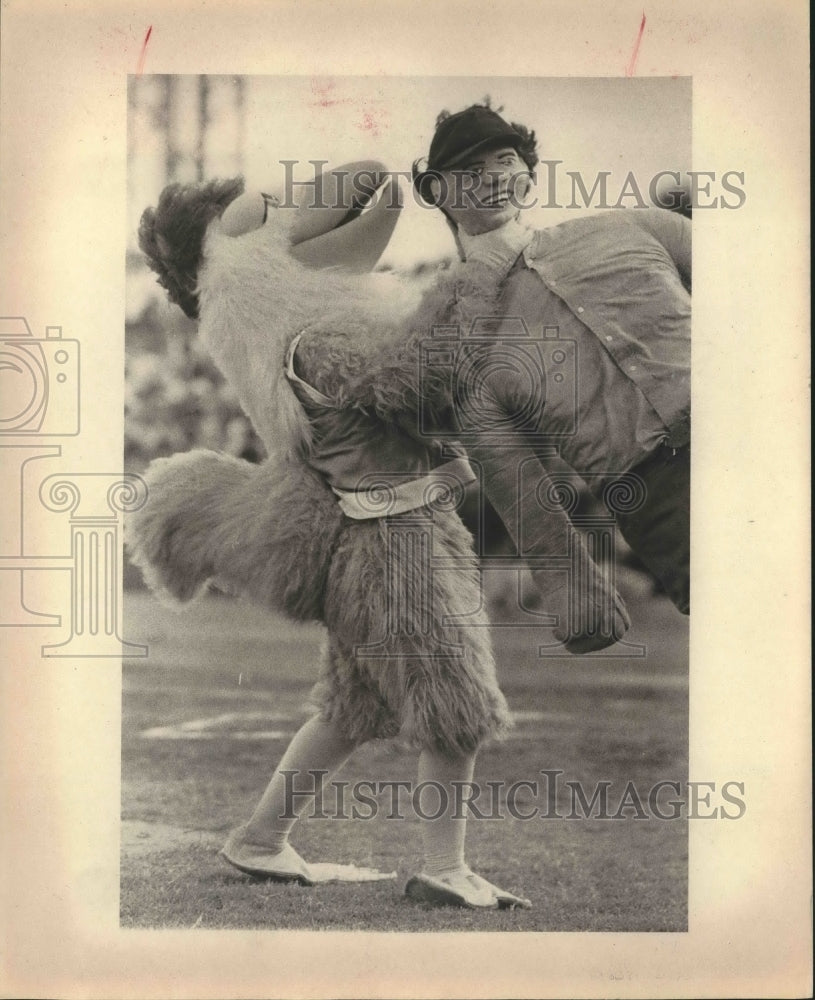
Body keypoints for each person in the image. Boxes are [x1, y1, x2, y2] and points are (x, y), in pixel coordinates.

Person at [133, 163, 532, 910]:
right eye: (260, 220)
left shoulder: (288, 341)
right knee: (456, 702)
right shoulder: (319, 338)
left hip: (386, 535)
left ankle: (260, 839)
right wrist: (476, 275)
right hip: (395, 544)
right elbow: (424, 380)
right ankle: (444, 867)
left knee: (353, 708)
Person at [411, 103, 691, 635]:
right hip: (656, 493)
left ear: (527, 172)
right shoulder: (469, 347)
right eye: (469, 170)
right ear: (435, 191)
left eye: (504, 160)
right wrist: (576, 595)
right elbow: (516, 483)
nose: (492, 177)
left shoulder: (633, 226)